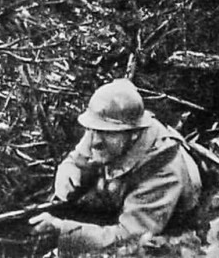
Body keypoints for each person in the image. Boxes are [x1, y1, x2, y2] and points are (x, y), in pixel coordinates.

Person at [29, 79, 202, 252]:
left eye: (105, 133)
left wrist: (62, 230)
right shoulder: (111, 129)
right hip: (127, 202)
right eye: (92, 129)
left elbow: (129, 239)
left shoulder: (163, 171)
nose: (94, 141)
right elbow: (79, 156)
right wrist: (70, 167)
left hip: (174, 226)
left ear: (133, 134)